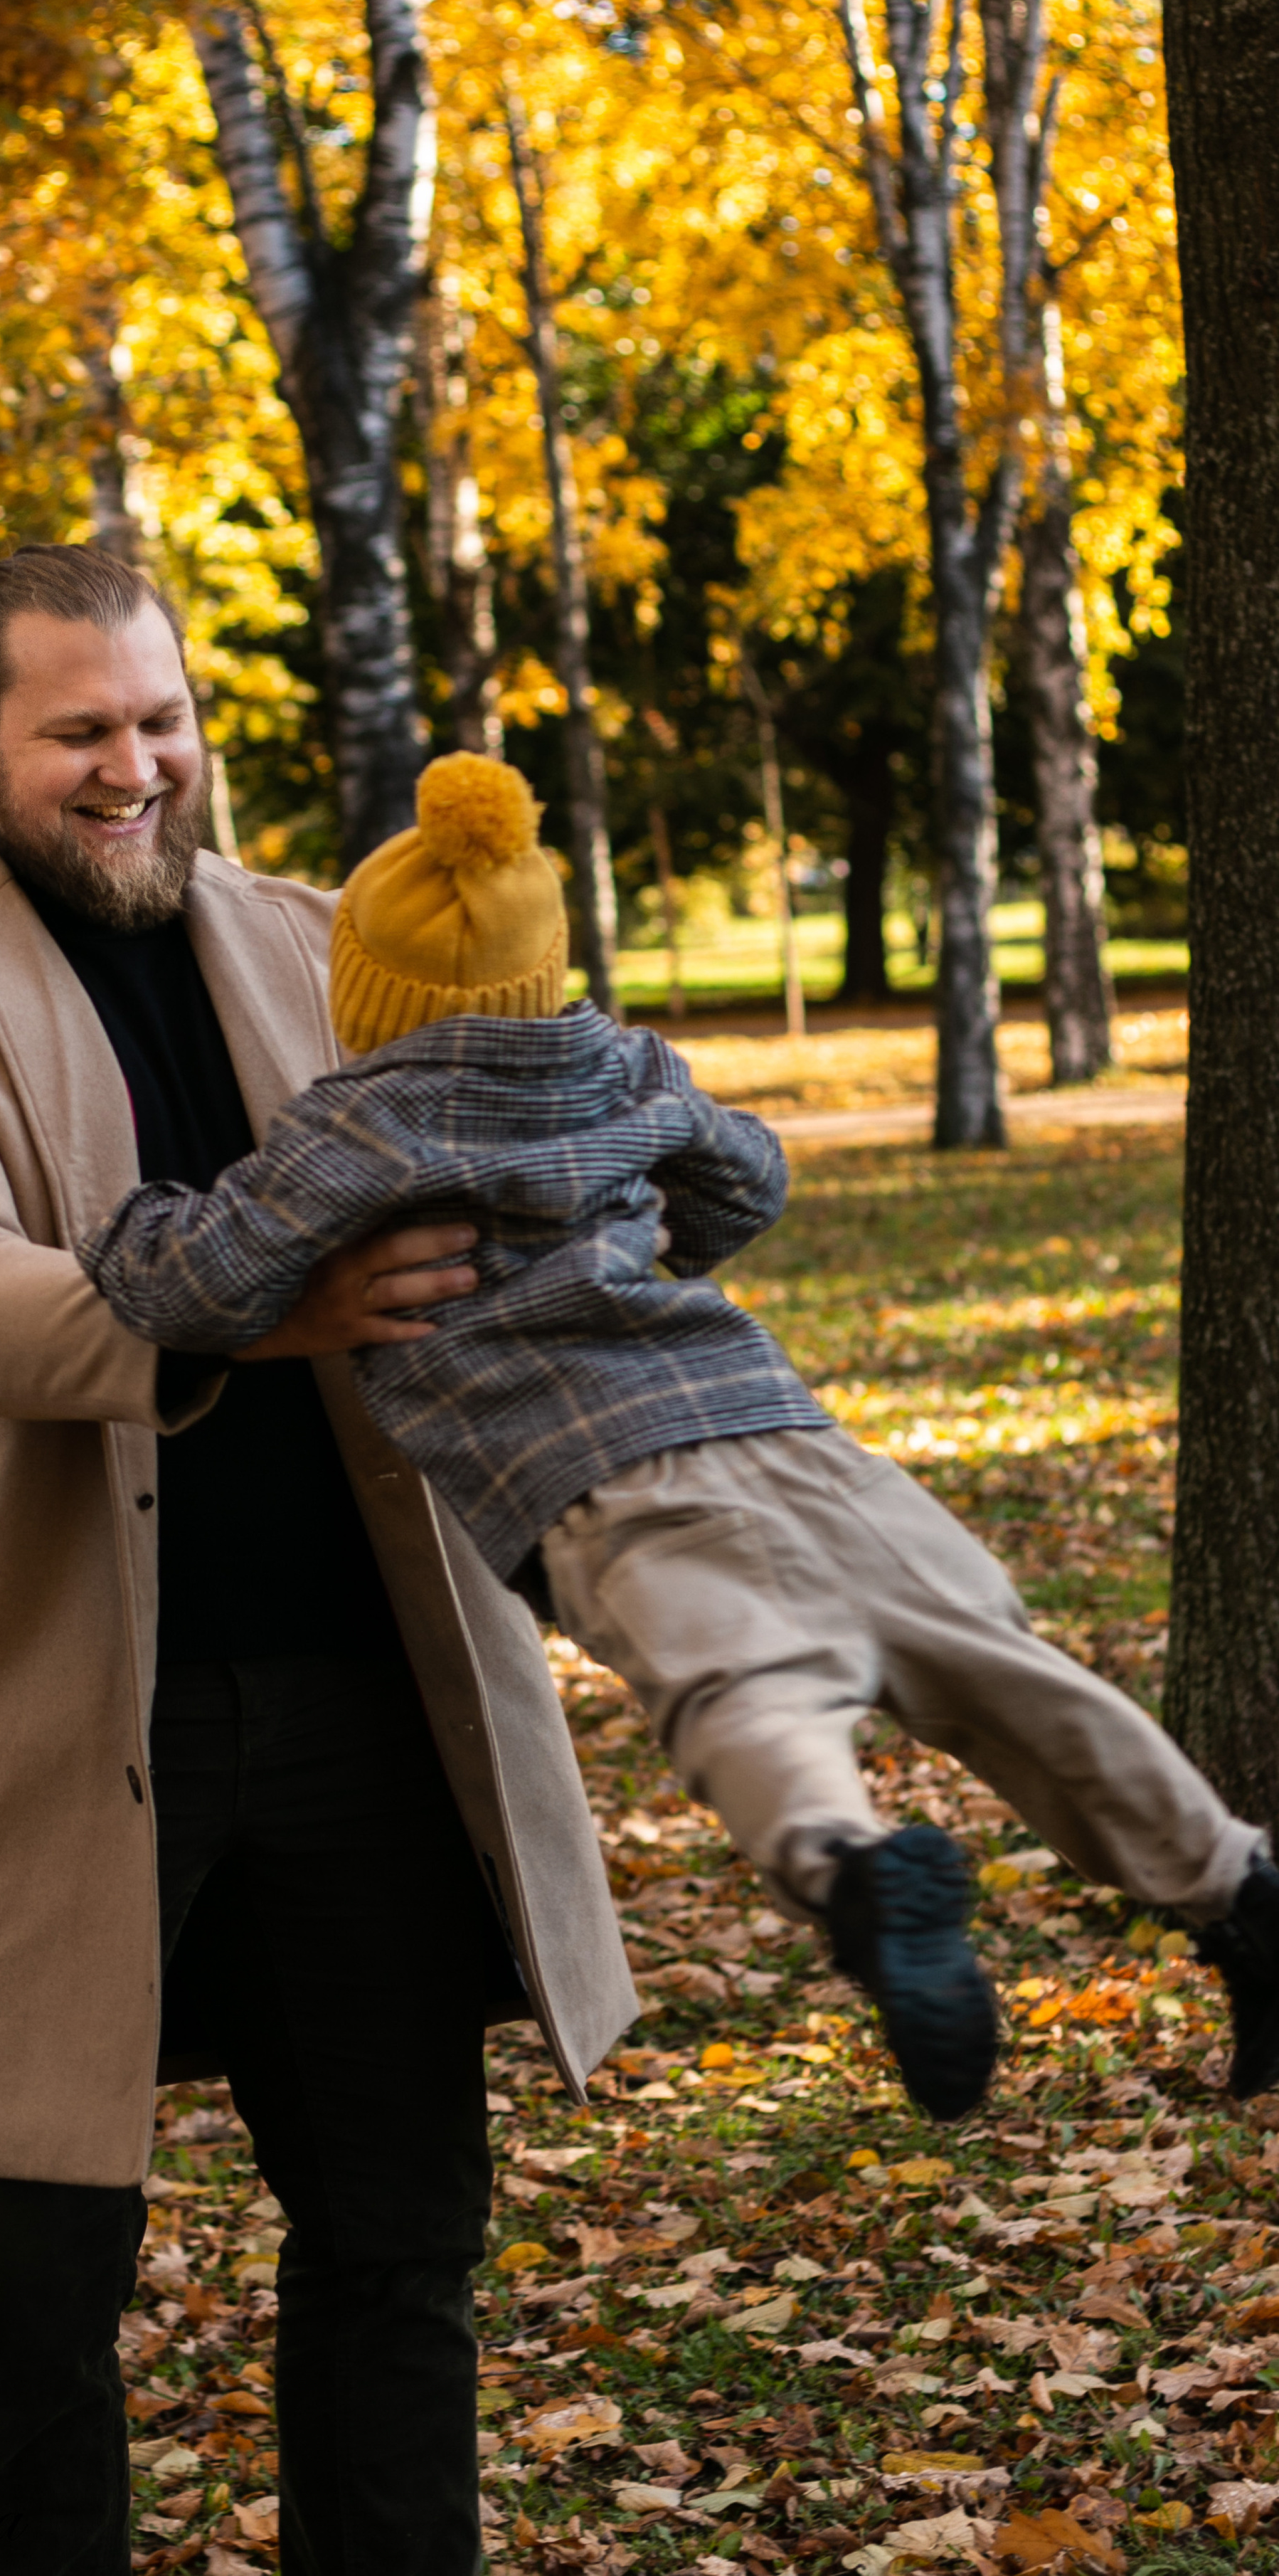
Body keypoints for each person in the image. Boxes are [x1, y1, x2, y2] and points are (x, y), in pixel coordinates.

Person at [0, 551, 637, 2576]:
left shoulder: (318, 937)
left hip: (361, 1701)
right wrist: (269, 1301)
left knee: (400, 2253)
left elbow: (507, 1181)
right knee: (24, 2303)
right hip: (43, 1709)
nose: (132, 767)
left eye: (159, 721)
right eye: (78, 730)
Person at [81, 749, 1279, 2126]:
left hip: (608, 1483)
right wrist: (661, 1222)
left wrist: (133, 1224)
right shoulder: (621, 1065)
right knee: (996, 1667)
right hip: (780, 1426)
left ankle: (854, 1870)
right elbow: (748, 1178)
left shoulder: (356, 1131)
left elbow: (203, 1283)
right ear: (542, 969)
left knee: (747, 1695)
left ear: (360, 998)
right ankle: (1236, 1889)